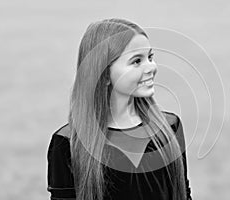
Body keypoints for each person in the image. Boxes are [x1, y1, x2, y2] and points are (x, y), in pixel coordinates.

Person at [46, 18, 192, 200]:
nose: (151, 67)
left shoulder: (169, 127)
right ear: (104, 74)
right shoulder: (67, 142)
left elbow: (183, 194)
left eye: (150, 57)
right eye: (136, 61)